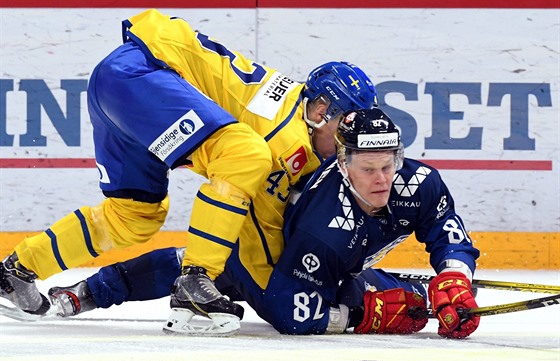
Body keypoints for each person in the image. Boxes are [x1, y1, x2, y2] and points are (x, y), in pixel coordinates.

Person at [0, 8, 378, 335]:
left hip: (120, 84)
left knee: (134, 216)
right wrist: (285, 295)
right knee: (246, 154)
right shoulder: (288, 139)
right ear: (319, 110)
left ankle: (18, 270)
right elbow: (258, 236)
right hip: (142, 73)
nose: (350, 138)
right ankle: (195, 283)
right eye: (346, 124)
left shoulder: (299, 120)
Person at [48, 108, 480, 339]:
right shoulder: (322, 229)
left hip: (315, 253)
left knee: (393, 293)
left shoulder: (419, 183)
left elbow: (447, 232)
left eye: (389, 165)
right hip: (275, 260)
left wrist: (455, 274)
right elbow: (289, 311)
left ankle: (90, 289)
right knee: (230, 270)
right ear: (343, 164)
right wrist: (361, 316)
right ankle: (93, 290)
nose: (383, 179)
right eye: (368, 168)